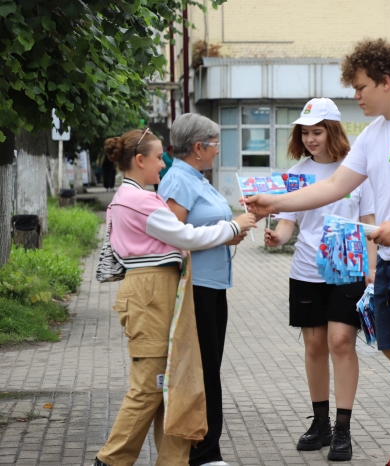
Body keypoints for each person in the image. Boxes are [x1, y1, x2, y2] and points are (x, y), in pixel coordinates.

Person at [245, 39, 390, 466]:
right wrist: (273, 204)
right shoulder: (375, 133)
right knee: (389, 343)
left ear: (386, 82)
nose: (356, 95)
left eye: (362, 86)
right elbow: (332, 186)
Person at [94, 128, 256, 466]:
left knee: (172, 383)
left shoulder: (137, 196)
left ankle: (175, 460)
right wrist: (234, 227)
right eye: (157, 158)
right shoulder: (136, 200)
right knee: (151, 384)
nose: (162, 165)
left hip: (159, 289)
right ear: (139, 161)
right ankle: (110, 461)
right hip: (150, 291)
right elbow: (184, 236)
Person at [264, 98, 376, 462]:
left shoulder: (357, 170)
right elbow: (286, 224)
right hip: (307, 270)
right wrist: (277, 238)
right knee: (313, 346)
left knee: (341, 342)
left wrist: (372, 270)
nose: (311, 138)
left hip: (347, 266)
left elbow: (370, 221)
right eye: (305, 132)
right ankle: (321, 423)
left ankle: (343, 429)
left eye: (317, 131)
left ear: (333, 130)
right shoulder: (296, 173)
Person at [158, 113, 246, 466]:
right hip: (197, 287)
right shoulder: (179, 181)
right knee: (204, 367)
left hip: (213, 285)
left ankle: (206, 448)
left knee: (210, 365)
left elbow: (209, 224)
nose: (217, 150)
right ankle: (204, 452)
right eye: (214, 144)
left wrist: (233, 229)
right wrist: (229, 229)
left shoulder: (196, 177)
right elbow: (174, 237)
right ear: (197, 148)